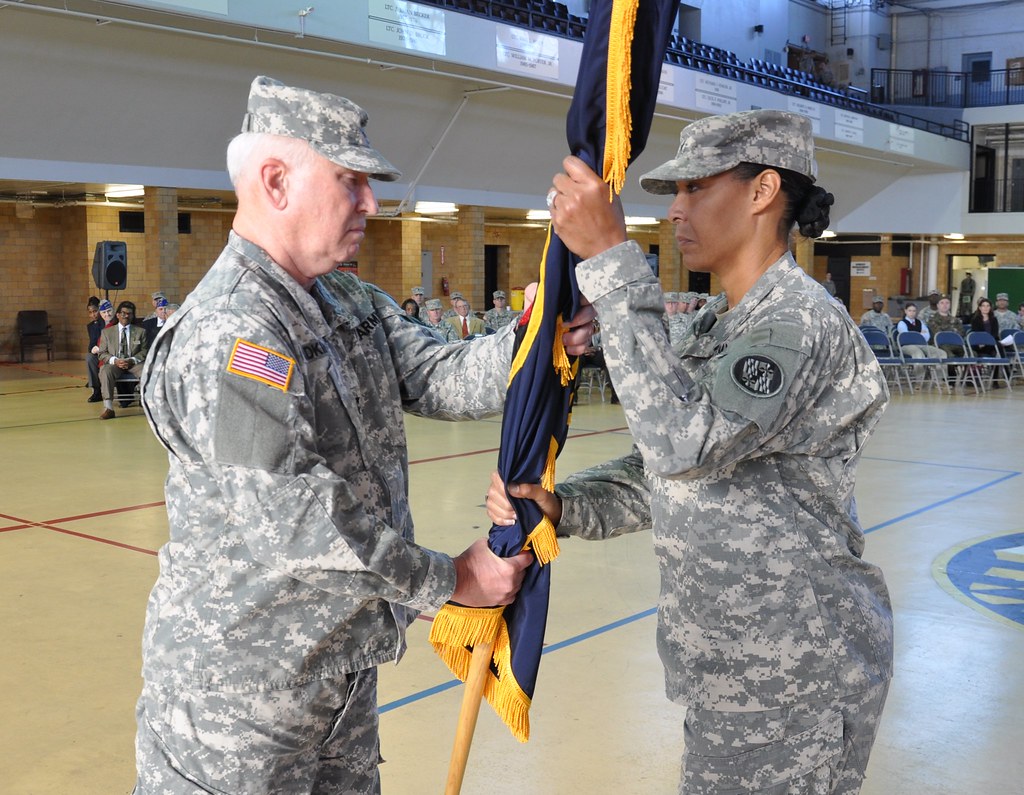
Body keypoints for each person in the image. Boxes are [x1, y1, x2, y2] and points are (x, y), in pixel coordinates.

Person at [132, 75, 594, 793]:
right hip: (240, 705)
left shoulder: (348, 300)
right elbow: (303, 525)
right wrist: (453, 581)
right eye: (350, 181)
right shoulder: (233, 333)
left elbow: (442, 374)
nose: (371, 204)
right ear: (276, 181)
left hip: (339, 678)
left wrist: (535, 339)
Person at [492, 109, 892, 794]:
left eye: (696, 188)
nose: (675, 210)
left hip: (794, 674)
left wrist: (614, 268)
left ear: (764, 191)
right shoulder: (721, 323)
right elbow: (669, 473)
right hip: (732, 666)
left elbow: (687, 444)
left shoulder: (796, 322)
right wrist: (564, 504)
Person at [96, 300, 147, 420]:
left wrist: (132, 360)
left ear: (133, 315)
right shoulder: (107, 332)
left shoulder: (140, 332)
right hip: (115, 363)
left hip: (134, 362)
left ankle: (147, 404)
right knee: (105, 371)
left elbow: (144, 351)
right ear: (118, 315)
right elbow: (102, 353)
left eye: (129, 313)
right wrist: (115, 360)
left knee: (147, 370)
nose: (126, 316)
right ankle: (108, 408)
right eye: (123, 313)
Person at [85, 297, 105, 402]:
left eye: (95, 311)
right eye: (90, 312)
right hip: (97, 353)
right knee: (89, 358)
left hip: (107, 352)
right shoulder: (90, 326)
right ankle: (96, 390)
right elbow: (91, 344)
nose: (93, 315)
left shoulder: (105, 322)